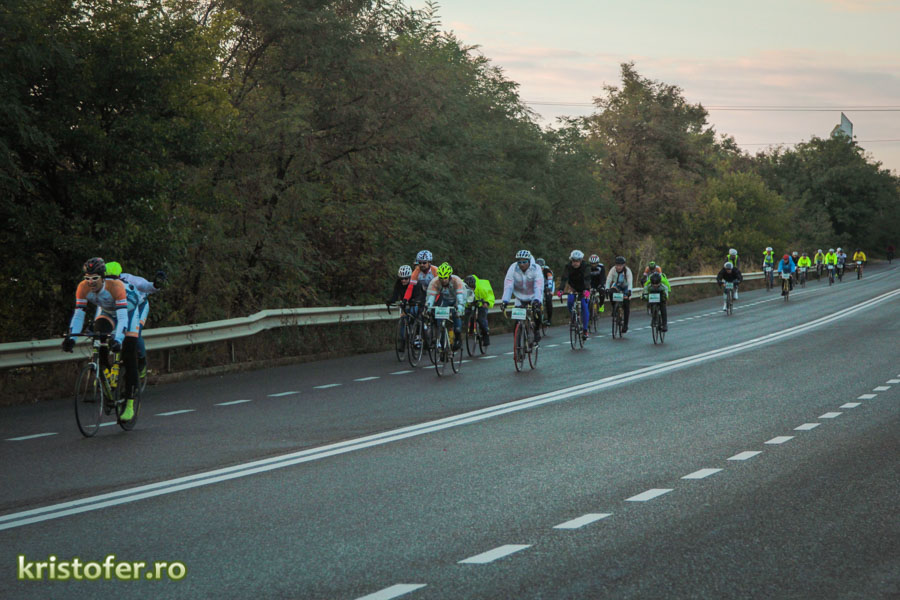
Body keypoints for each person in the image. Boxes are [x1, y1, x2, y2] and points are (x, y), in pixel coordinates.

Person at [61, 258, 141, 421]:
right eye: (87, 278)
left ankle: (130, 403)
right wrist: (72, 338)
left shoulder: (115, 287)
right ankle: (106, 376)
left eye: (95, 278)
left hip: (129, 312)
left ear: (103, 278)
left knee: (128, 353)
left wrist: (118, 340)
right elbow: (79, 315)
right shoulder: (82, 287)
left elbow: (123, 318)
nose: (90, 282)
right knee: (98, 334)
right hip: (108, 313)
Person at [104, 261, 166, 379]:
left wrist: (156, 285)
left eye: (112, 278)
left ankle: (142, 361)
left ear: (119, 276)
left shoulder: (130, 280)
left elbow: (147, 286)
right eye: (106, 278)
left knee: (135, 333)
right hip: (120, 308)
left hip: (139, 306)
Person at [501, 250, 545, 344]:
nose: (522, 264)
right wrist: (505, 300)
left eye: (524, 262)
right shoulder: (513, 268)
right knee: (517, 321)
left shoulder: (536, 268)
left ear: (529, 261)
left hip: (534, 295)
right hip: (520, 297)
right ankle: (517, 343)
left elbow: (538, 285)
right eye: (519, 262)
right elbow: (508, 285)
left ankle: (536, 330)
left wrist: (537, 300)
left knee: (537, 312)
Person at [425, 262, 466, 351]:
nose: (443, 280)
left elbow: (460, 298)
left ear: (449, 276)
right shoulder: (435, 282)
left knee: (456, 315)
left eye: (445, 278)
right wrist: (428, 307)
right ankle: (442, 340)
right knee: (439, 319)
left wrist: (460, 308)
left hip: (456, 299)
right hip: (446, 300)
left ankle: (458, 336)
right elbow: (431, 297)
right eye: (441, 278)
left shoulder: (457, 281)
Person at [556, 250, 591, 340]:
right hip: (573, 287)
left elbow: (587, 278)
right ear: (571, 260)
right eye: (573, 261)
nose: (575, 263)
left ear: (581, 260)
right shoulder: (568, 267)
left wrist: (587, 289)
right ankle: (573, 317)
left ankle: (585, 330)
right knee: (570, 301)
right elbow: (564, 279)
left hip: (584, 288)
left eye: (577, 261)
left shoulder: (586, 266)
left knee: (584, 305)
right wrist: (561, 289)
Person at [464, 274, 495, 347]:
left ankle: (486, 334)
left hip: (481, 302)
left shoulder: (482, 288)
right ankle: (470, 328)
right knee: (468, 315)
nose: (471, 290)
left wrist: (487, 302)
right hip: (469, 302)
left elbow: (490, 296)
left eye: (472, 288)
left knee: (481, 319)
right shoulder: (462, 286)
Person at [605, 256, 634, 333]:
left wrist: (629, 291)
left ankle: (625, 325)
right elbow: (608, 279)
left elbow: (630, 282)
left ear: (623, 265)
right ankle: (614, 308)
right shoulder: (613, 270)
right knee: (611, 292)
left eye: (620, 265)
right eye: (617, 265)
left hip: (626, 287)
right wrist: (607, 288)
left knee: (626, 304)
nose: (618, 267)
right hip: (617, 285)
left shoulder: (627, 271)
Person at [536, 257, 555, 325]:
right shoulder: (533, 270)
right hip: (539, 285)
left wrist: (549, 289)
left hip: (548, 284)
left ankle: (549, 319)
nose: (540, 269)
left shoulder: (547, 271)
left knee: (548, 299)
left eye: (541, 268)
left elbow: (550, 281)